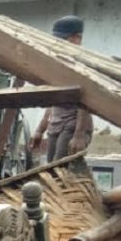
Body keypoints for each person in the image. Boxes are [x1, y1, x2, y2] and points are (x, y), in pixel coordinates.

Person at [31, 16, 92, 161]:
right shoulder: (58, 61)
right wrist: (40, 130)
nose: (58, 43)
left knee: (61, 167)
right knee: (50, 165)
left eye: (63, 39)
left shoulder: (82, 63)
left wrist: (79, 135)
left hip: (73, 124)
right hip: (56, 124)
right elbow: (53, 98)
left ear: (77, 38)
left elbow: (87, 101)